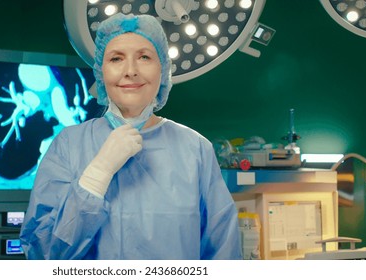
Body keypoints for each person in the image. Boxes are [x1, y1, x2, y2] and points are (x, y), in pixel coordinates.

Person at [19, 12, 242, 260]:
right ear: (101, 72)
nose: (131, 71)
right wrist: (97, 175)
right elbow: (43, 254)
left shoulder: (195, 149)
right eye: (116, 59)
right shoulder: (68, 145)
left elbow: (224, 252)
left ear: (163, 69)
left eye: (144, 57)